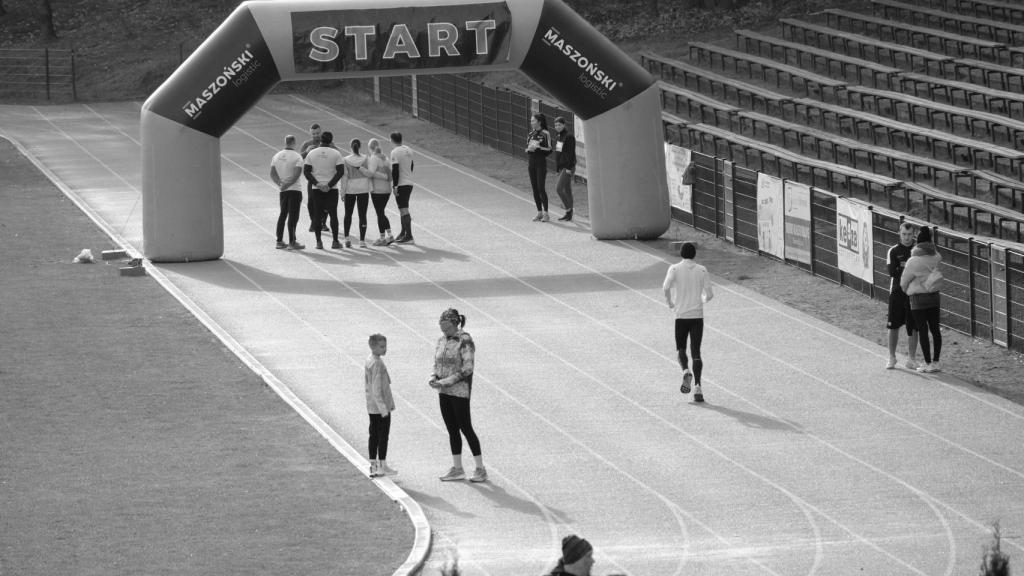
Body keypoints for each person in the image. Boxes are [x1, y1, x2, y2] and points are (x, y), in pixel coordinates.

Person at [430, 308, 486, 482]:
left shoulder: (465, 341)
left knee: (466, 428)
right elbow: (436, 362)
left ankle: (480, 469)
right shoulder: (441, 340)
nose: (443, 330)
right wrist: (433, 376)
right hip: (443, 391)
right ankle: (457, 468)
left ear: (455, 324)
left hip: (460, 392)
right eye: (441, 327)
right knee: (452, 430)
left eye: (446, 327)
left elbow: (468, 368)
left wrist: (445, 381)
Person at [662, 242, 714, 402]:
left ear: (681, 254)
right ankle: (698, 387)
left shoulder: (675, 269)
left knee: (681, 349)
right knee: (696, 352)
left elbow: (666, 287)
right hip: (697, 316)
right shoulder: (702, 270)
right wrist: (703, 300)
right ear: (694, 255)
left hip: (681, 315)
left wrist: (670, 302)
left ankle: (685, 370)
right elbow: (710, 294)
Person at [901, 227, 943, 373]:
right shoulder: (936, 256)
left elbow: (903, 282)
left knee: (923, 330)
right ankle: (936, 362)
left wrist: (907, 291)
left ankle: (927, 362)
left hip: (918, 299)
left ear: (917, 241)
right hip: (934, 296)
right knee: (935, 329)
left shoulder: (913, 261)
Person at [885, 222, 919, 369]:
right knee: (893, 326)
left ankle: (911, 359)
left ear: (914, 234)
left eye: (909, 234)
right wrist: (909, 269)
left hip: (914, 294)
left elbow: (921, 271)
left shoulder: (919, 251)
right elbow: (893, 272)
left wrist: (903, 267)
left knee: (913, 328)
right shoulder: (893, 251)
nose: (906, 237)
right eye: (904, 234)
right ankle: (892, 358)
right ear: (899, 233)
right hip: (897, 294)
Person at [303, 131, 344, 250]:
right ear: (331, 141)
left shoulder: (311, 153)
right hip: (331, 190)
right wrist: (329, 185)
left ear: (320, 140)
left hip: (317, 189)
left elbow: (306, 171)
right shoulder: (336, 153)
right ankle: (335, 241)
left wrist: (317, 184)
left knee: (317, 215)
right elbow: (340, 172)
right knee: (333, 215)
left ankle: (319, 242)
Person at [366, 333, 397, 478]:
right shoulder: (377, 364)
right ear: (372, 346)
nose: (385, 349)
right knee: (382, 436)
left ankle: (374, 464)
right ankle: (381, 465)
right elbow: (377, 388)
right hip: (379, 407)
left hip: (372, 406)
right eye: (381, 346)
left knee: (373, 435)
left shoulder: (370, 360)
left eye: (385, 346)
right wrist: (384, 409)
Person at [269, 135, 305, 250]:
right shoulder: (297, 156)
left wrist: (280, 184)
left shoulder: (276, 156)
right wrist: (288, 184)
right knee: (293, 216)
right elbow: (296, 174)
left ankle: (279, 241)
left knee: (283, 215)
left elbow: (272, 174)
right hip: (294, 190)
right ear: (294, 142)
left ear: (285, 142)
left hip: (283, 191)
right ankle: (292, 242)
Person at [299, 123, 331, 233]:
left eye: (317, 133)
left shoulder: (328, 142)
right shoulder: (307, 144)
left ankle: (323, 223)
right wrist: (306, 151)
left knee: (326, 202)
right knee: (311, 202)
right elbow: (298, 159)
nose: (316, 135)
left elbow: (337, 153)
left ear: (321, 132)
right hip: (312, 178)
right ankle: (314, 222)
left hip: (326, 177)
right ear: (310, 133)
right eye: (313, 134)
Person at [342, 138, 372, 248]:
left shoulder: (345, 160)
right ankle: (362, 241)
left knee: (348, 214)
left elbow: (344, 177)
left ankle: (346, 239)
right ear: (360, 147)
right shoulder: (366, 159)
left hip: (350, 189)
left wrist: (342, 192)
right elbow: (369, 174)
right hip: (363, 189)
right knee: (362, 215)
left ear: (350, 147)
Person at [367, 138, 395, 246]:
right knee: (381, 212)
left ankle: (383, 237)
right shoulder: (385, 158)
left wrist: (383, 176)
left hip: (378, 190)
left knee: (380, 214)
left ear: (370, 148)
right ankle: (390, 235)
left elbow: (371, 173)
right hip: (387, 190)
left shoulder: (374, 158)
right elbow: (391, 172)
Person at [390, 132, 416, 244]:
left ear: (392, 140)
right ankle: (403, 233)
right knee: (402, 208)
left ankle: (409, 236)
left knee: (404, 209)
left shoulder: (394, 152)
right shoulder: (409, 149)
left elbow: (395, 170)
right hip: (409, 182)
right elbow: (412, 165)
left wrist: (395, 186)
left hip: (401, 184)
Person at [526, 113, 553, 222]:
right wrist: (529, 149)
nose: (531, 122)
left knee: (541, 188)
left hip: (541, 163)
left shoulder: (545, 133)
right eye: (531, 121)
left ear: (539, 122)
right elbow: (527, 149)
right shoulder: (530, 134)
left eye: (533, 121)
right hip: (531, 162)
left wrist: (539, 147)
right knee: (535, 188)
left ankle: (546, 213)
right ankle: (539, 212)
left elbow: (550, 149)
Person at [552, 116, 577, 222]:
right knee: (567, 189)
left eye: (559, 125)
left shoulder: (569, 136)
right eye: (556, 125)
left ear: (564, 125)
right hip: (562, 166)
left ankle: (568, 210)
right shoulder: (558, 136)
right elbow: (558, 153)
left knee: (559, 189)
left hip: (568, 167)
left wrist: (568, 168)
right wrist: (557, 168)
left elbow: (571, 154)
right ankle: (570, 212)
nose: (557, 127)